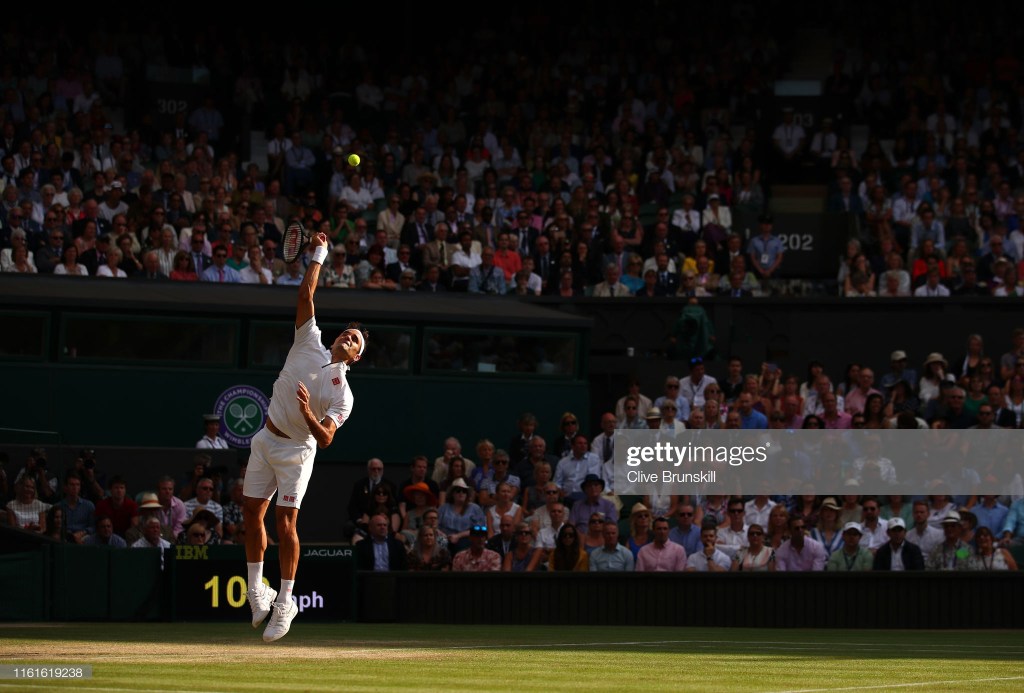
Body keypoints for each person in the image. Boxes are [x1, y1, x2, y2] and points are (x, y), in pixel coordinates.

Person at [241, 229, 367, 643]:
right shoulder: (308, 339)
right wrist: (319, 254)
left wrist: (306, 413)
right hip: (265, 438)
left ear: (356, 357)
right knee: (251, 514)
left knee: (285, 523)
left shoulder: (343, 393)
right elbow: (305, 296)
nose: (349, 338)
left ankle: (286, 602)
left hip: (298, 451)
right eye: (348, 333)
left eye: (356, 341)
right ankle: (258, 591)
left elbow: (326, 439)